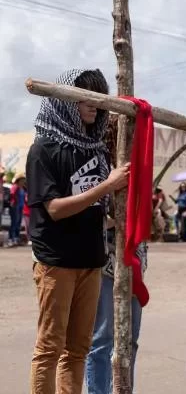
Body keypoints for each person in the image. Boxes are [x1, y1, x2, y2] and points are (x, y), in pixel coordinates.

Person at [26, 68, 130, 394]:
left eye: (98, 98)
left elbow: (98, 212)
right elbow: (54, 209)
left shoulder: (94, 149)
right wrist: (106, 187)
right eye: (84, 96)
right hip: (56, 261)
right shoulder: (43, 149)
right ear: (66, 100)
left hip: (92, 260)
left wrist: (123, 217)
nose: (94, 105)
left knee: (78, 349)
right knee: (49, 347)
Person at [85, 211, 147, 394]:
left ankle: (123, 389)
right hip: (104, 263)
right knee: (101, 339)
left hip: (134, 261)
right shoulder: (101, 183)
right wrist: (119, 220)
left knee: (129, 340)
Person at [7, 173, 26, 247]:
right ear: (19, 180)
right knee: (14, 223)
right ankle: (11, 239)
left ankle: (16, 238)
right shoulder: (15, 187)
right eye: (22, 179)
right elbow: (12, 194)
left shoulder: (22, 188)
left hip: (20, 207)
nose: (24, 180)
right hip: (15, 207)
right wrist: (14, 201)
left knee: (18, 223)